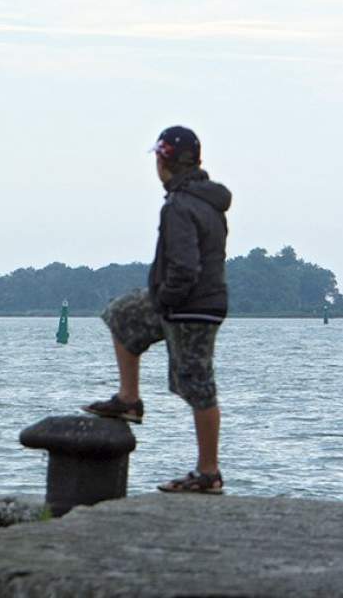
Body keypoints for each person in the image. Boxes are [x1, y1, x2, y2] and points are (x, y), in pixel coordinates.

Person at [82, 126, 231, 494]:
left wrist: (165, 302)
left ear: (165, 161)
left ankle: (208, 473)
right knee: (122, 314)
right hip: (195, 302)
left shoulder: (181, 205)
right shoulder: (207, 201)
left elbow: (184, 266)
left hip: (190, 307)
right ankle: (129, 399)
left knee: (198, 385)